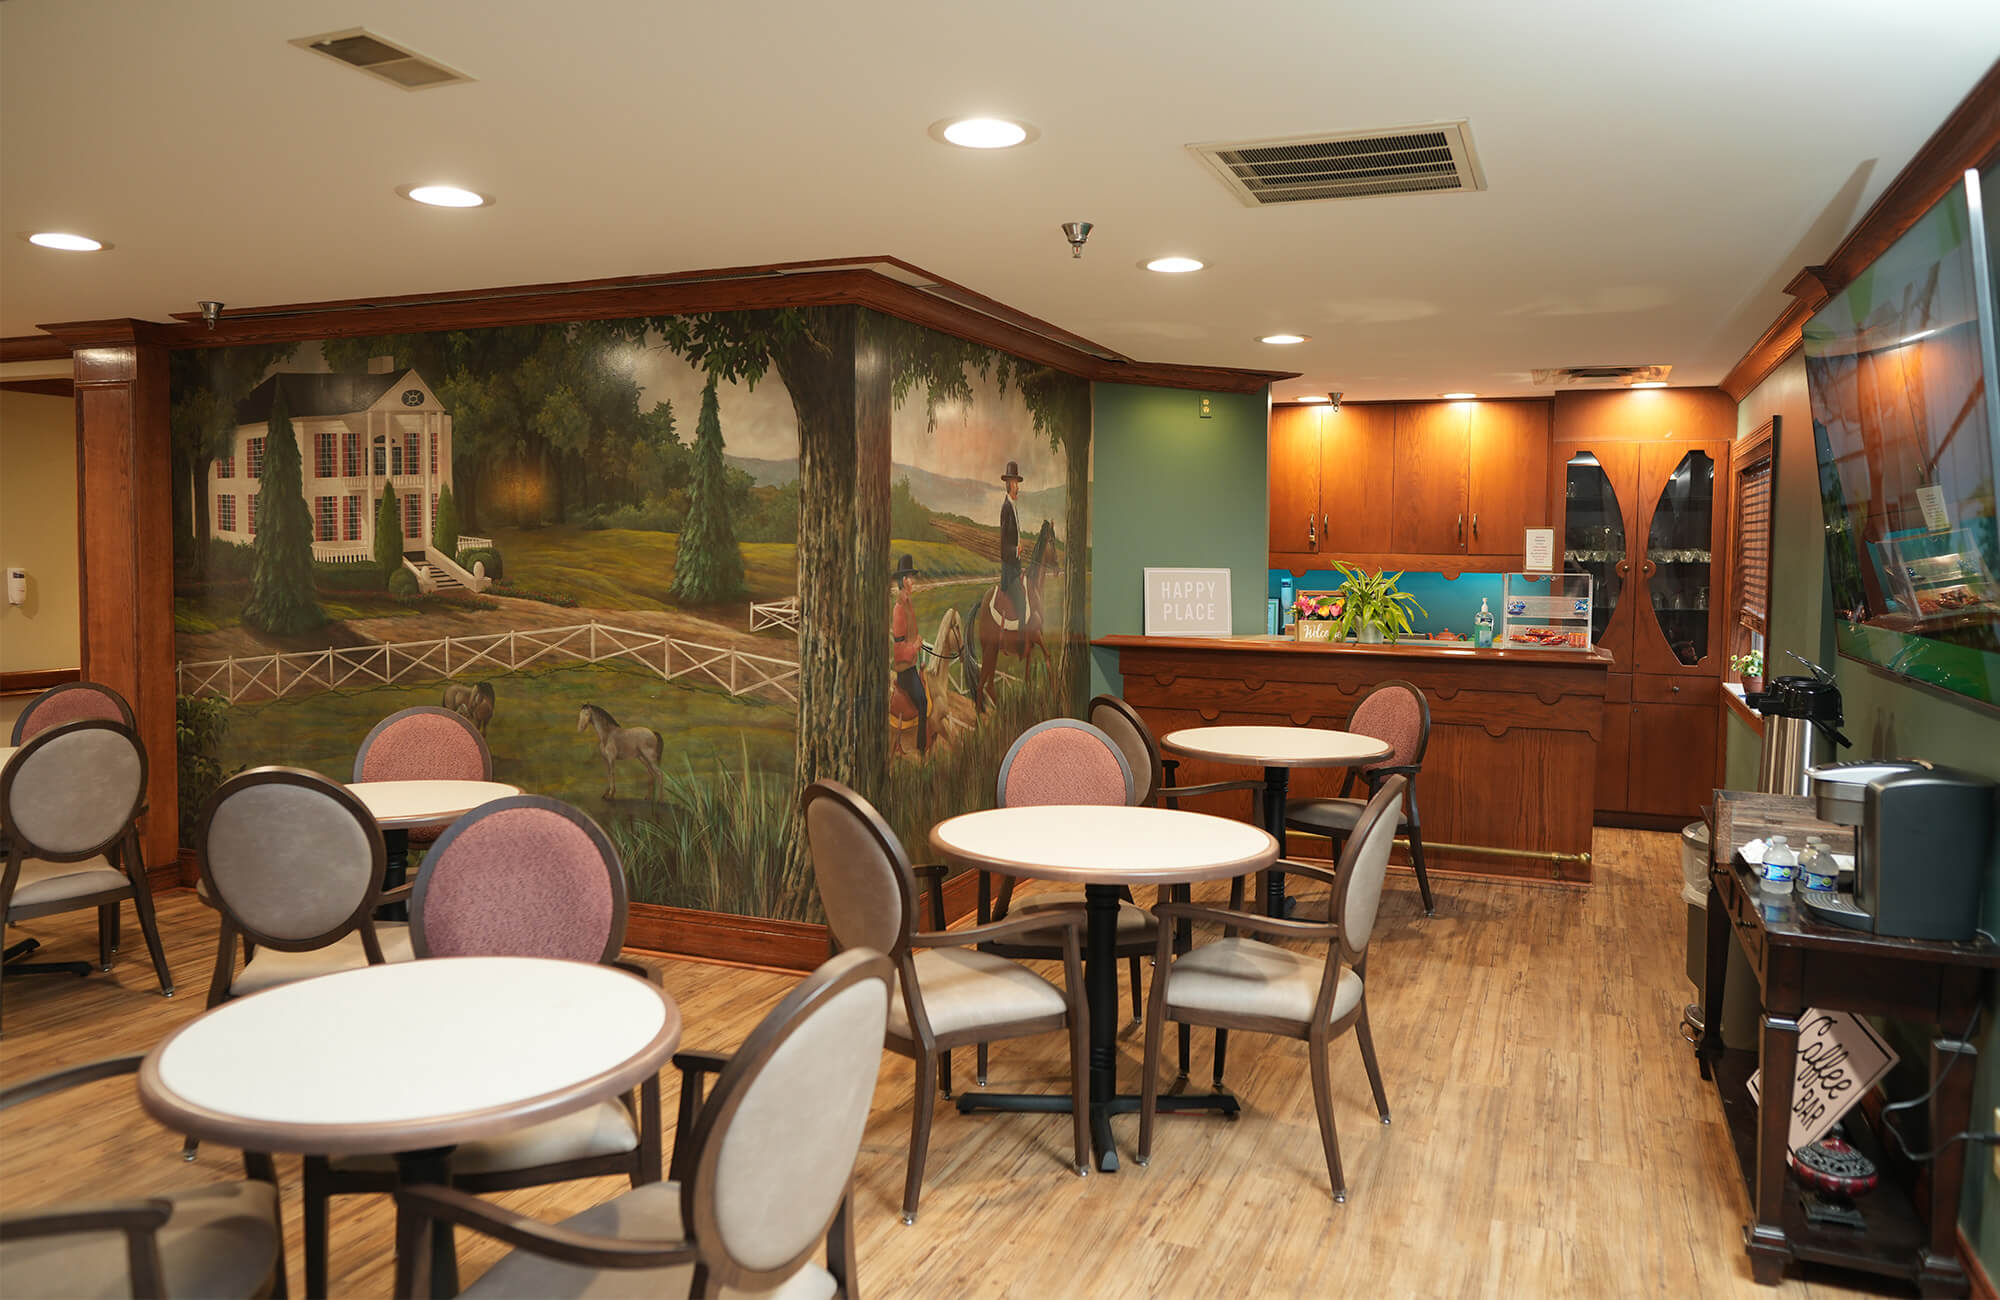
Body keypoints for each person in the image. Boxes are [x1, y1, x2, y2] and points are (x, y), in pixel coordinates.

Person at [890, 554, 928, 753]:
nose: (913, 582)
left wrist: (917, 641)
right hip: (904, 670)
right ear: (904, 581)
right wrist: (914, 646)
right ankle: (921, 747)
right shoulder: (899, 609)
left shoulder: (907, 603)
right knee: (923, 701)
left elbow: (909, 636)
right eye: (911, 578)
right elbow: (898, 650)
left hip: (911, 664)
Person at [997, 460, 1024, 620]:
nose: (1017, 487)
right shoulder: (1006, 508)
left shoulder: (1013, 506)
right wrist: (1015, 550)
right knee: (1022, 605)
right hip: (1009, 573)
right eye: (1014, 483)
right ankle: (1020, 644)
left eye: (1017, 483)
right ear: (1008, 485)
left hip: (1016, 568)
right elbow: (1003, 547)